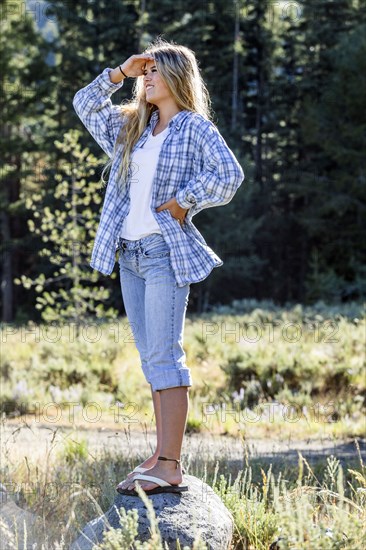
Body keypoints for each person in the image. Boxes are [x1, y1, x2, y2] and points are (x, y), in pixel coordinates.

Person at [72, 38, 244, 497]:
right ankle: (159, 454)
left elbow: (230, 175)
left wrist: (185, 202)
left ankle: (170, 464)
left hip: (164, 254)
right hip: (129, 255)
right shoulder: (133, 127)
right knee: (151, 362)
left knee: (166, 357)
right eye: (144, 72)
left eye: (154, 70)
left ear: (176, 79)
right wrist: (119, 72)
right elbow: (84, 104)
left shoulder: (192, 128)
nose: (146, 77)